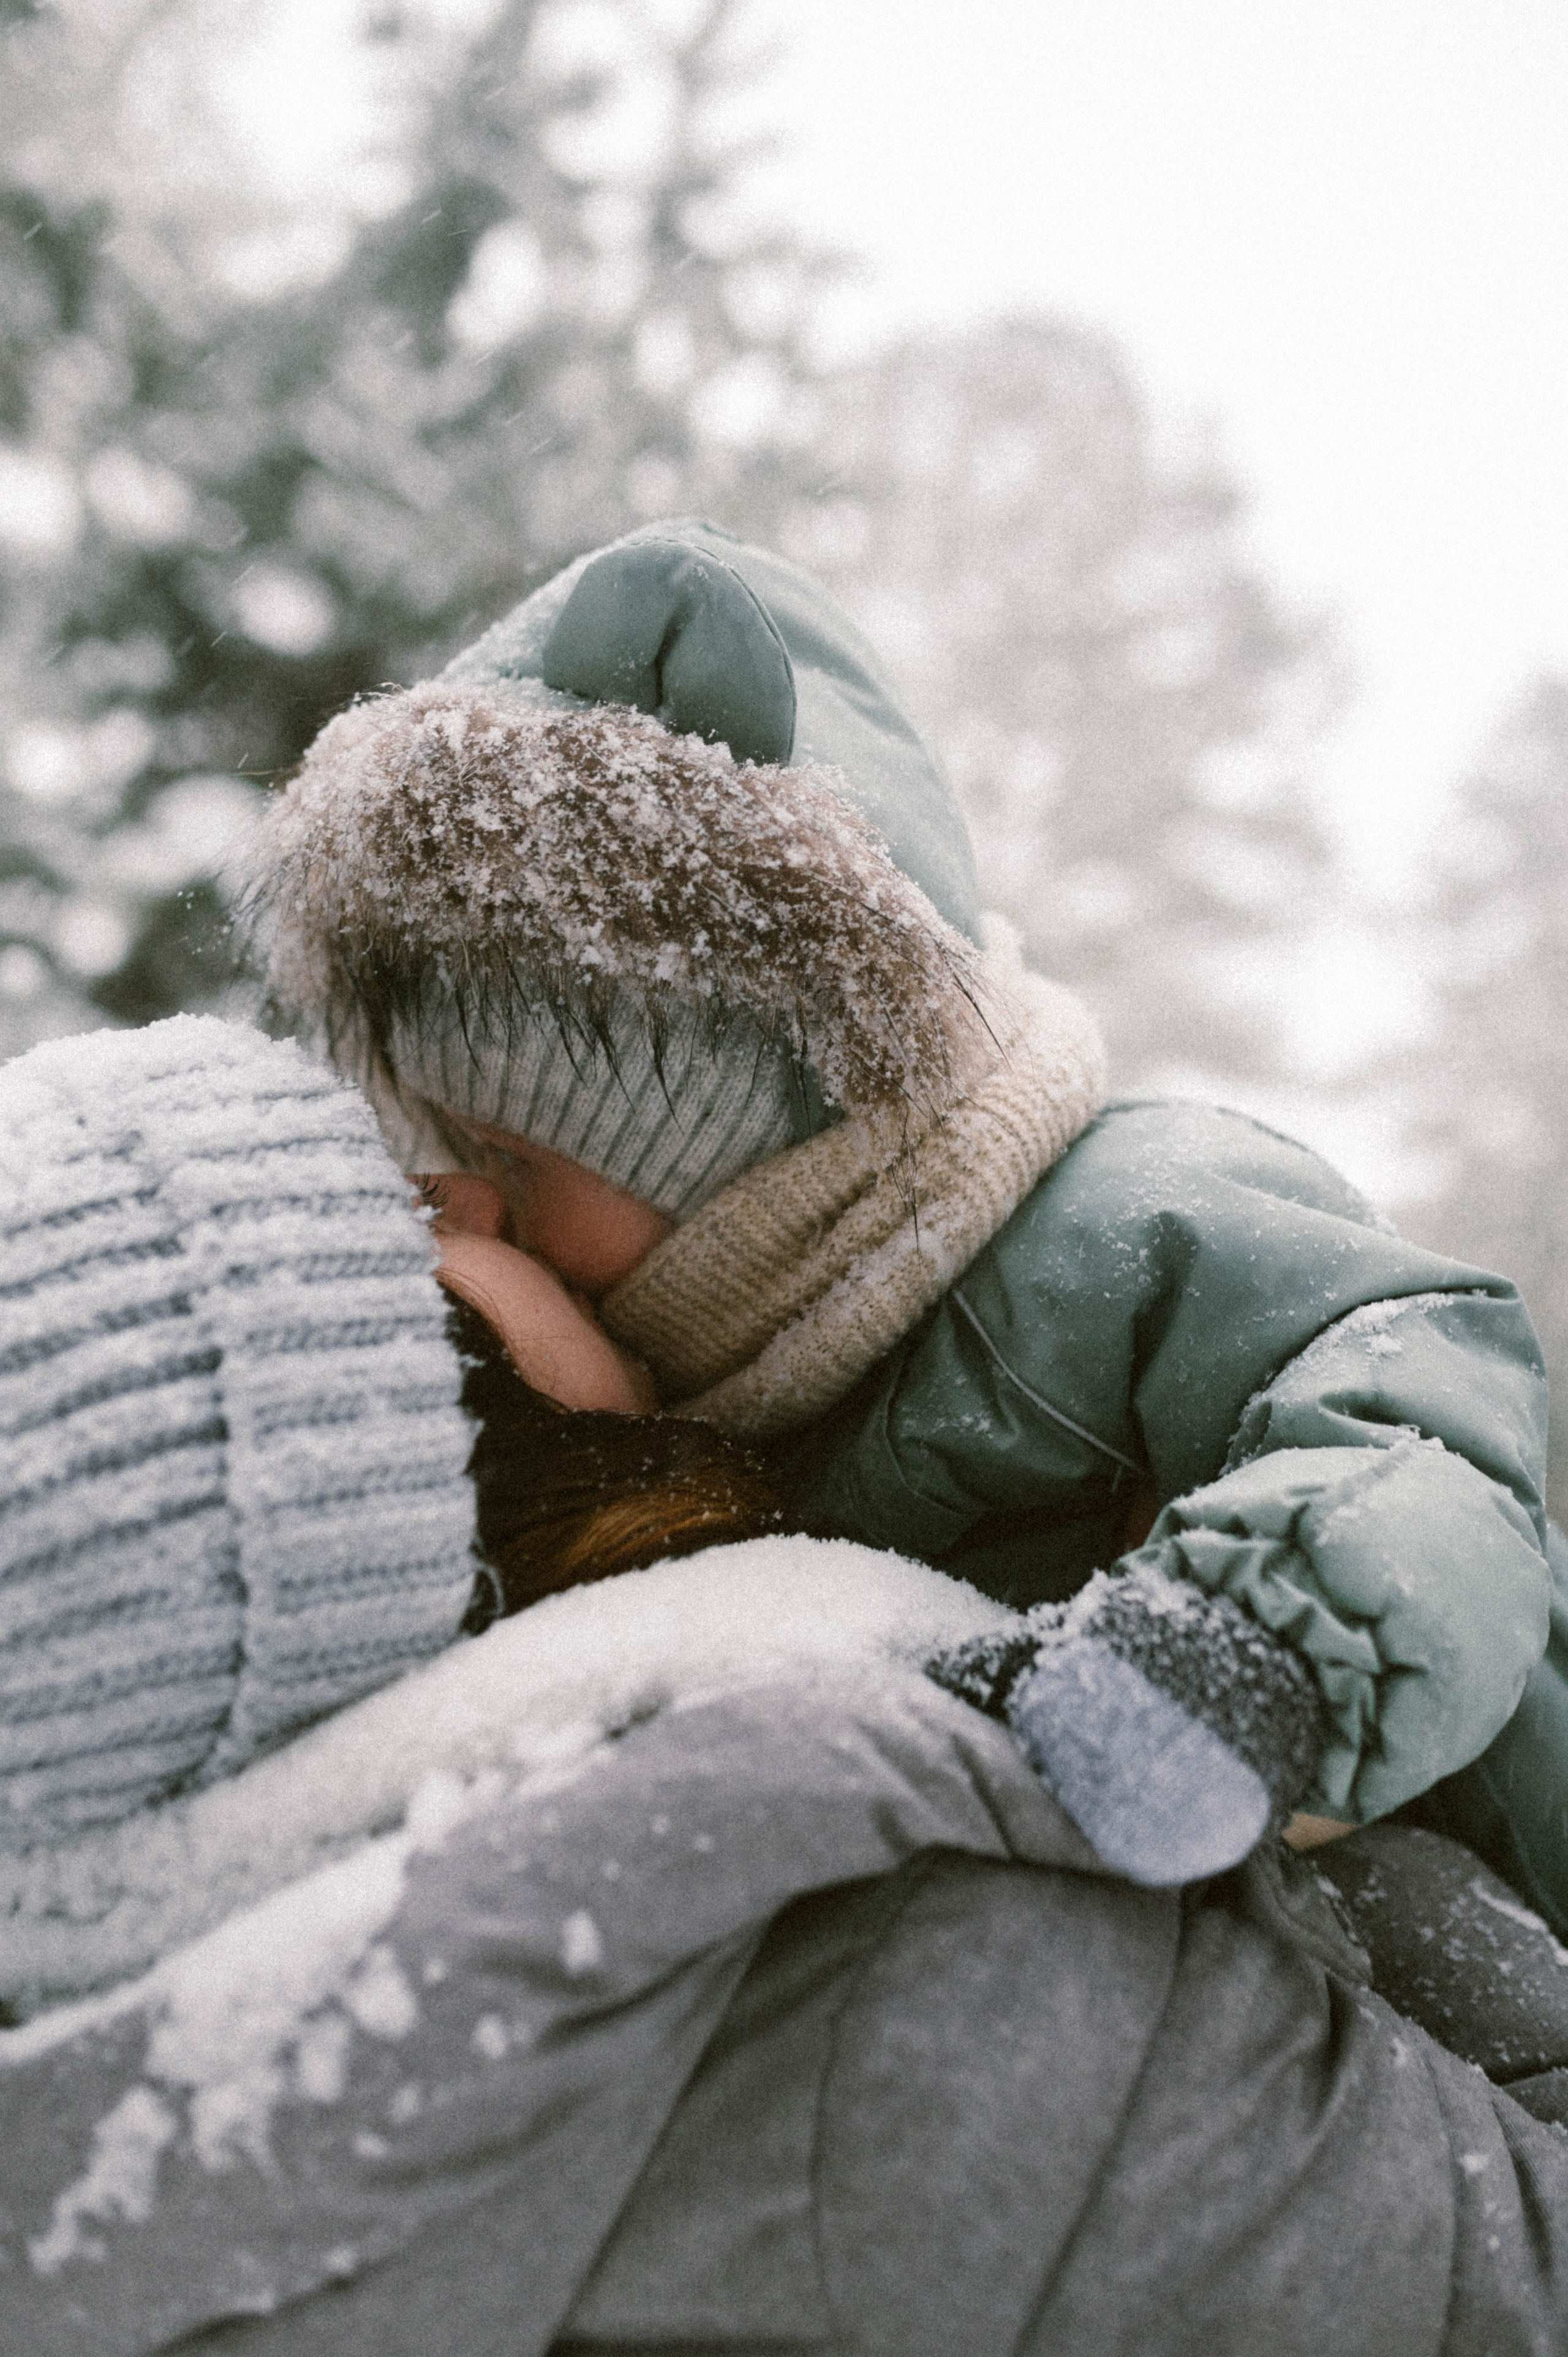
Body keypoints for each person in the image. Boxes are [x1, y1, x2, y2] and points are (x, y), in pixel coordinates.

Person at [8, 1017, 1568, 2356]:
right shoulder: (903, 1949)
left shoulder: (189, 2105)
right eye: (403, 1218)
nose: (471, 1190)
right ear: (389, 1467)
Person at [255, 516, 1568, 1923]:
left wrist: (1235, 1657)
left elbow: (1419, 1430)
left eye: (510, 1154)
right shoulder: (715, 1391)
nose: (468, 1201)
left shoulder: (1127, 1221)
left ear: (718, 1123)